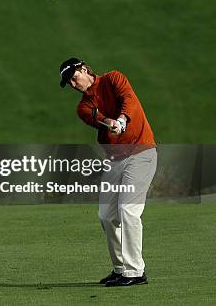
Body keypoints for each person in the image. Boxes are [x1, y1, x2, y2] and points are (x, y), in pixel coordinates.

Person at [59, 57, 157, 287]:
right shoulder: (82, 107)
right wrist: (109, 123)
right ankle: (120, 268)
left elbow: (129, 99)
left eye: (74, 78)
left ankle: (135, 272)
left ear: (84, 69)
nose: (74, 85)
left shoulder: (113, 78)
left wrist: (122, 119)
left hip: (142, 152)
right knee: (106, 215)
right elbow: (98, 119)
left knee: (128, 211)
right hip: (115, 159)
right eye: (69, 83)